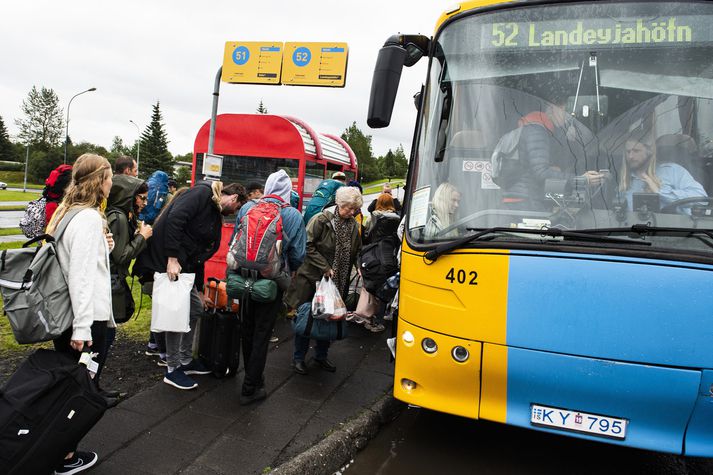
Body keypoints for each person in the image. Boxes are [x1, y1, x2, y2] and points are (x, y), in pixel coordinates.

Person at [133, 180, 247, 390]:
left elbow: (198, 254)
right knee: (176, 315)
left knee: (195, 309)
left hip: (184, 267)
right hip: (168, 264)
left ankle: (185, 360)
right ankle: (172, 368)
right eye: (237, 207)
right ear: (234, 197)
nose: (234, 212)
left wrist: (201, 290)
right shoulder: (203, 194)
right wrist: (172, 258)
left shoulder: (212, 209)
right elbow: (175, 219)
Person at [45, 153, 115, 475]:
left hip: (69, 318)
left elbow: (77, 260)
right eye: (110, 177)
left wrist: (106, 247)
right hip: (85, 322)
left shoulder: (67, 212)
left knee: (69, 388)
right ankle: (65, 457)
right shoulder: (87, 218)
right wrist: (84, 330)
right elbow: (81, 277)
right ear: (100, 181)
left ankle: (54, 449)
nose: (112, 183)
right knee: (80, 392)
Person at [231, 170, 306, 404]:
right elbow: (298, 254)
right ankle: (251, 387)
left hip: (243, 276)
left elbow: (236, 238)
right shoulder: (292, 214)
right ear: (286, 191)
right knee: (262, 333)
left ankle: (255, 378)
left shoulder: (247, 208)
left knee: (247, 329)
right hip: (272, 281)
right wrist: (289, 273)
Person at [286, 186, 363, 375]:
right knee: (307, 318)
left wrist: (359, 265)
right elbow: (307, 245)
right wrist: (325, 267)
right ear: (339, 203)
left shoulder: (353, 224)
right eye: (348, 208)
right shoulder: (321, 219)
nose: (351, 212)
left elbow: (358, 249)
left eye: (354, 209)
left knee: (330, 318)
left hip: (338, 280)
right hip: (313, 279)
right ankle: (298, 358)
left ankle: (321, 356)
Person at [102, 174, 153, 399]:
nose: (144, 202)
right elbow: (121, 256)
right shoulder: (119, 218)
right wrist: (142, 237)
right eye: (141, 197)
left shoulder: (120, 215)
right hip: (110, 286)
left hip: (110, 284)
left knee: (106, 336)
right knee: (104, 337)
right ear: (128, 197)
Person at [502, 101, 603, 209]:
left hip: (522, 198)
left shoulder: (536, 129)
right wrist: (580, 180)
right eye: (566, 110)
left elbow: (531, 168)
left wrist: (551, 170)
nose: (568, 116)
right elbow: (540, 173)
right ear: (552, 108)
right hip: (525, 201)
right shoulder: (537, 131)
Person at [619, 137, 707, 211]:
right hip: (634, 230)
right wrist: (605, 186)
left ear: (649, 152)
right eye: (628, 152)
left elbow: (702, 199)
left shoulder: (672, 171)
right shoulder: (625, 180)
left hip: (675, 229)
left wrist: (659, 192)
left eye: (636, 151)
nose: (630, 156)